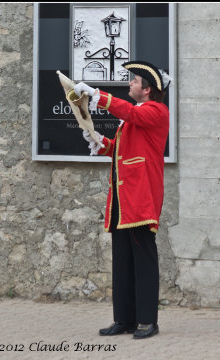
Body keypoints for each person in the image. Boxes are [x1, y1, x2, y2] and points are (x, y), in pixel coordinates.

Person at [74, 61, 173, 339]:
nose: (130, 83)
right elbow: (122, 150)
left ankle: (147, 321)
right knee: (123, 259)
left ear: (147, 89)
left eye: (135, 80)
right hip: (123, 196)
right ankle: (124, 319)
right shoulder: (137, 115)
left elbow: (129, 113)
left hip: (140, 196)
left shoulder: (156, 110)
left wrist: (97, 95)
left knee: (143, 259)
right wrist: (99, 142)